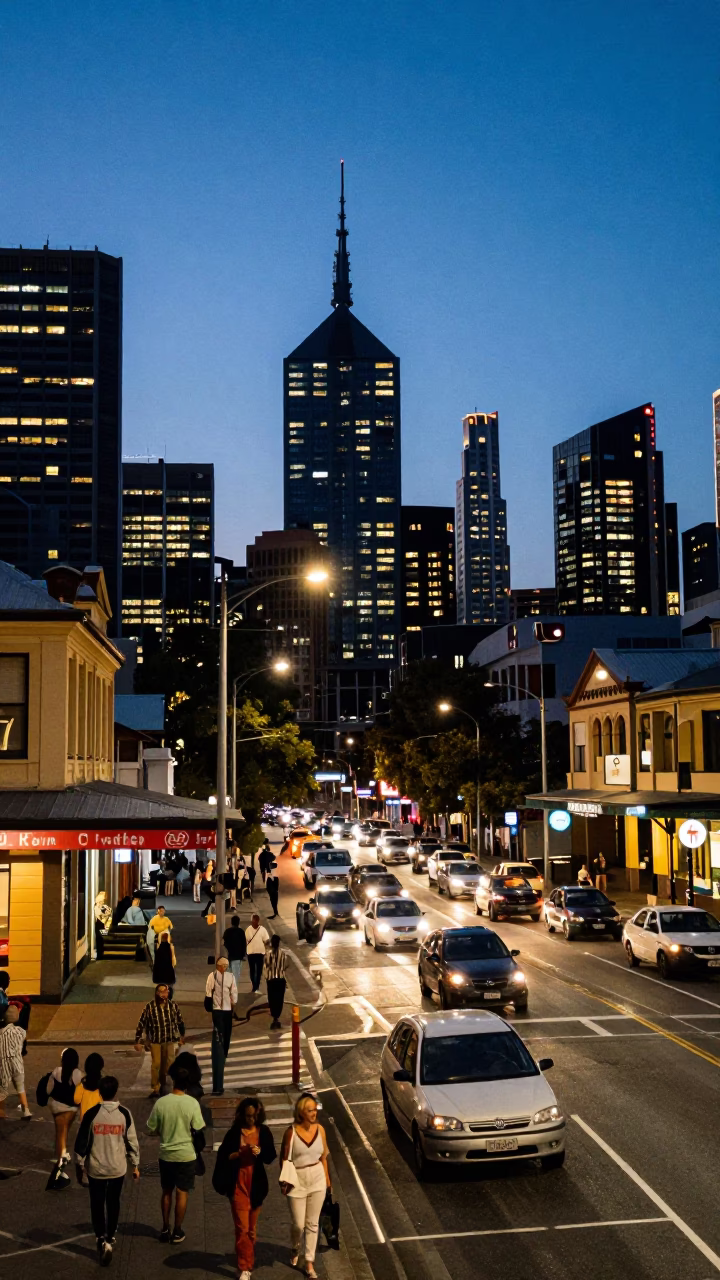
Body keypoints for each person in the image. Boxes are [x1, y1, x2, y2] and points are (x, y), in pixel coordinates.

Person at [74, 1074, 140, 1266]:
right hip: (117, 1168)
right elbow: (132, 1142)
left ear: (100, 1093)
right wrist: (135, 1165)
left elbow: (82, 1144)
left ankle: (100, 1236)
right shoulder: (125, 1114)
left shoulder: (92, 1114)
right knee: (113, 1203)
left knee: (97, 1203)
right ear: (116, 1091)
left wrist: (80, 1165)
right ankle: (110, 1237)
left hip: (96, 1168)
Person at [213, 1096, 277, 1280]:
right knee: (242, 1228)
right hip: (238, 1185)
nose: (251, 1120)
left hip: (256, 1186)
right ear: (242, 1115)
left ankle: (247, 1258)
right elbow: (225, 1156)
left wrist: (260, 1152)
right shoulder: (234, 1134)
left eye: (254, 1116)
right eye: (248, 1116)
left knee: (251, 1229)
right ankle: (244, 1266)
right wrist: (239, 1153)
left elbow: (270, 1156)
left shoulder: (263, 1132)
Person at [146, 1065, 205, 1245]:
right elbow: (198, 1127)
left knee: (166, 1191)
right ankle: (178, 1230)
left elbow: (151, 1128)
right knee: (182, 1192)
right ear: (187, 1085)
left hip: (166, 1154)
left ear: (173, 1082)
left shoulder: (161, 1103)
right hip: (186, 1154)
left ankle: (165, 1227)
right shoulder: (192, 1103)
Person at [280, 1093, 331, 1279]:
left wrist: (327, 1181)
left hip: (317, 1177)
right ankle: (295, 1247)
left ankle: (309, 1263)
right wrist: (284, 1181)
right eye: (310, 1110)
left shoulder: (321, 1130)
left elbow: (324, 1157)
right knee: (298, 1225)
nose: (314, 1113)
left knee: (313, 1223)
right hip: (297, 1179)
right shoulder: (291, 1132)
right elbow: (284, 1159)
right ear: (301, 1112)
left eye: (315, 1109)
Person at [134, 984, 185, 1098]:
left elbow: (180, 1021)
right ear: (157, 993)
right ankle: (155, 1088)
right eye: (161, 992)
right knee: (156, 1064)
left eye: (166, 992)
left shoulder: (172, 1006)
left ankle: (168, 1084)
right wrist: (137, 1040)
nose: (164, 994)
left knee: (169, 1064)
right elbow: (141, 1023)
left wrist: (182, 1036)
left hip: (170, 1040)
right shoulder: (150, 1007)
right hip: (156, 1040)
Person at [206, 957, 238, 1095]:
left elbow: (234, 991)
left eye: (226, 965)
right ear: (218, 966)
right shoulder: (212, 976)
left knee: (228, 1032)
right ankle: (220, 1051)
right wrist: (210, 1003)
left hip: (227, 1009)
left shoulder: (231, 977)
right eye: (222, 965)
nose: (224, 967)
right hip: (217, 1009)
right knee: (219, 1033)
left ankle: (224, 1052)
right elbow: (208, 991)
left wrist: (234, 1002)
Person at [46, 1046, 82, 1169]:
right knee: (64, 1131)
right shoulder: (77, 1074)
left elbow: (49, 1089)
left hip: (56, 1106)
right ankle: (62, 1155)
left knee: (60, 1132)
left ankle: (61, 1155)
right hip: (71, 1108)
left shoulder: (56, 1071)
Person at [0, 1006, 32, 1120]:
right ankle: (26, 1111)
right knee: (20, 1087)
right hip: (17, 1062)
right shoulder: (21, 1032)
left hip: (5, 1064)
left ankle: (1, 1111)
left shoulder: (1, 1033)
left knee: (2, 1088)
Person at [264, 935, 287, 1029]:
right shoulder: (283, 954)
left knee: (272, 999)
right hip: (281, 980)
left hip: (271, 980)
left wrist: (267, 977)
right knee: (279, 999)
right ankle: (277, 1016)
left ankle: (274, 1017)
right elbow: (285, 966)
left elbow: (265, 968)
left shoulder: (268, 954)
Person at [74, 1052, 105, 1119]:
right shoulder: (103, 1084)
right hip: (99, 1120)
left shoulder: (81, 1085)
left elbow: (76, 1100)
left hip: (85, 1120)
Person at [245, 915, 270, 994]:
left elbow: (267, 940)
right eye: (253, 921)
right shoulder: (248, 929)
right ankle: (254, 986)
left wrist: (266, 944)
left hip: (260, 953)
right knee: (252, 970)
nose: (255, 922)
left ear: (258, 921)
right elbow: (245, 940)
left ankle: (256, 987)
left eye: (256, 921)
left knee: (259, 971)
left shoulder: (262, 930)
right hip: (251, 953)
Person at [223, 915, 247, 986]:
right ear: (238, 923)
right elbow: (243, 944)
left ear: (231, 922)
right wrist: (243, 955)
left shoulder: (227, 931)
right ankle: (233, 993)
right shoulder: (241, 932)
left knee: (228, 976)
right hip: (237, 957)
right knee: (235, 977)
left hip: (228, 956)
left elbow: (224, 943)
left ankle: (228, 991)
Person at [94, 892, 112, 958]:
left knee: (101, 940)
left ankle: (101, 953)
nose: (104, 902)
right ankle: (100, 955)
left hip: (101, 925)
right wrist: (106, 915)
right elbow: (100, 918)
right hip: (99, 925)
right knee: (99, 940)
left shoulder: (103, 907)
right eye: (103, 900)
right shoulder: (96, 908)